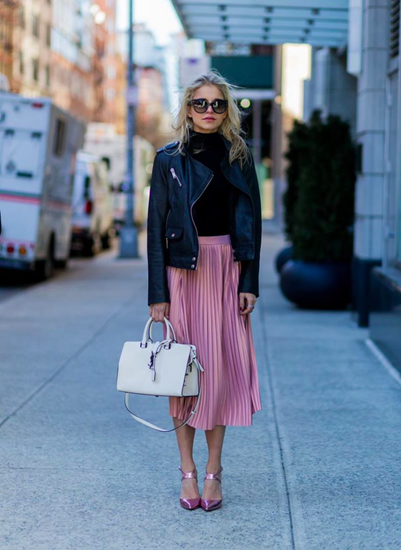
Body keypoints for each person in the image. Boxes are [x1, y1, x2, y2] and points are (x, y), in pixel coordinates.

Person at [147, 69, 262, 512]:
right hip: (183, 275)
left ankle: (214, 473)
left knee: (217, 378)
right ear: (188, 109)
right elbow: (156, 230)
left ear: (226, 110)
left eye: (217, 104)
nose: (209, 111)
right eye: (201, 103)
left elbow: (248, 222)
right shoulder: (167, 161)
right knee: (183, 378)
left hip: (226, 273)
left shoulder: (240, 156)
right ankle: (187, 472)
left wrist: (249, 281)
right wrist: (158, 294)